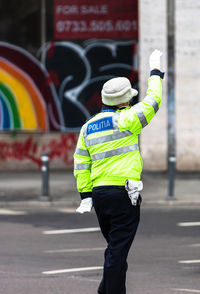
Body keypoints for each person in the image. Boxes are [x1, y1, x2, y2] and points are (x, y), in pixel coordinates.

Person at [73, 49, 164, 294]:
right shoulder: (128, 118)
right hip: (124, 194)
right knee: (117, 251)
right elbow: (154, 100)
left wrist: (85, 195)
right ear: (125, 100)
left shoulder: (88, 127)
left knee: (116, 248)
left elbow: (81, 163)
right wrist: (155, 71)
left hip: (100, 196)